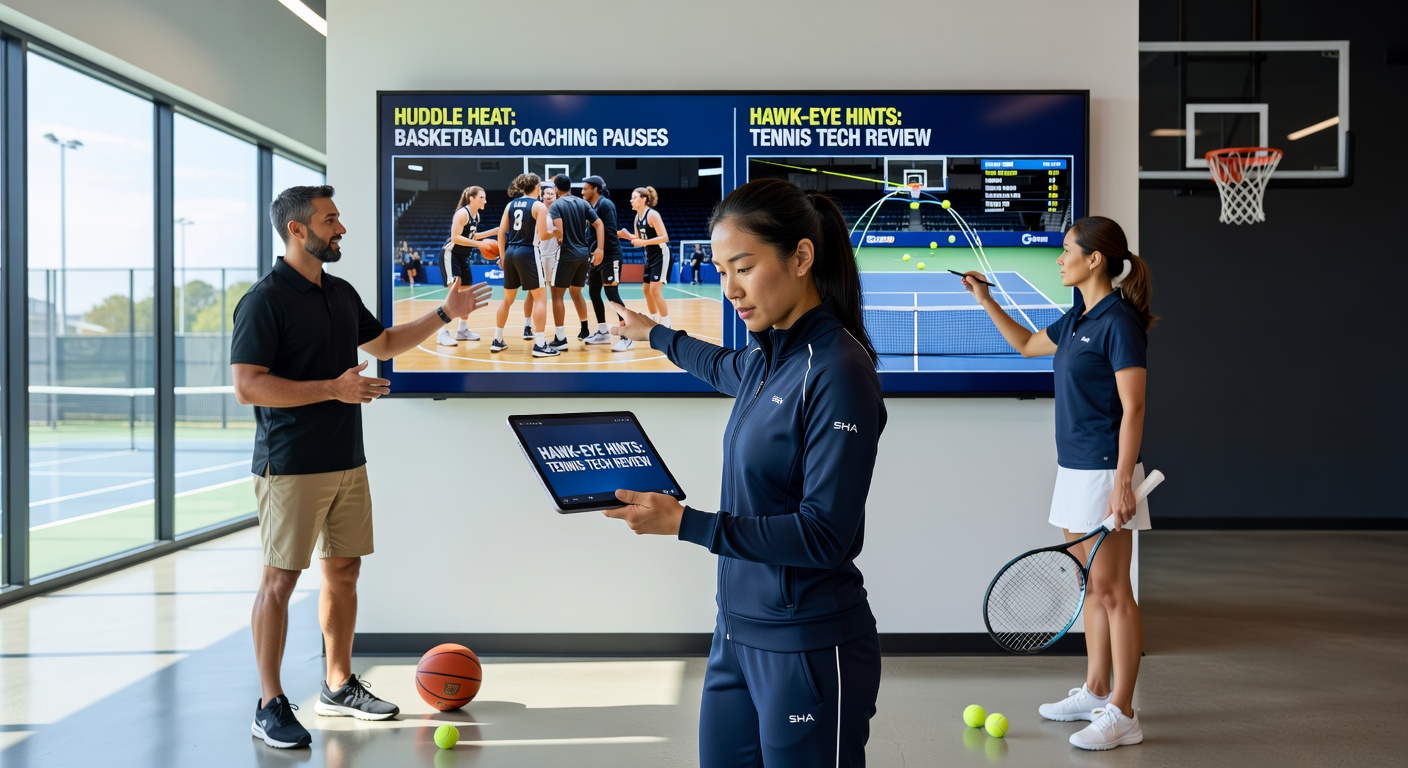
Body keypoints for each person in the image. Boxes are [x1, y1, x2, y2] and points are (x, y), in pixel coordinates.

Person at [606, 178, 886, 767]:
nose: (728, 287)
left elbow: (823, 533)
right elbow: (720, 364)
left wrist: (688, 524)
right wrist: (653, 333)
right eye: (720, 269)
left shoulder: (838, 370)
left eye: (744, 267)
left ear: (801, 257)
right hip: (735, 632)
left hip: (808, 643)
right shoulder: (768, 359)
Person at [232, 185, 491, 750]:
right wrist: (334, 387)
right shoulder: (265, 299)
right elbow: (247, 386)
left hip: (347, 458)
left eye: (338, 219)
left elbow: (387, 343)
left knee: (342, 571)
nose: (340, 228)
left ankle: (338, 683)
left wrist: (446, 312)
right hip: (291, 463)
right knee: (280, 581)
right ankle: (269, 702)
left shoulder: (340, 292)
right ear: (297, 230)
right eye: (330, 220)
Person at [959, 215, 1155, 752]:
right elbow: (1025, 345)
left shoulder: (1119, 322)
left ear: (1095, 259)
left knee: (1115, 592)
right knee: (1088, 585)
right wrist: (983, 298)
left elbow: (1134, 408)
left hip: (1104, 471)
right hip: (1074, 472)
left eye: (1066, 249)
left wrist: (1121, 482)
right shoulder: (1077, 319)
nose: (1058, 258)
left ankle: (1123, 710)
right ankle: (1095, 690)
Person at [491, 173, 557, 357]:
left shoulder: (510, 205)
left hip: (511, 252)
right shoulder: (538, 205)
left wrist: (503, 256)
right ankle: (540, 344)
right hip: (528, 251)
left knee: (507, 300)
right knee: (540, 299)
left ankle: (497, 340)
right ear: (536, 187)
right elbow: (543, 236)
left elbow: (501, 232)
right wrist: (557, 232)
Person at [547, 174, 603, 350]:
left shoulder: (556, 205)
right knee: (576, 292)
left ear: (556, 188)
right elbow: (599, 224)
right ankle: (585, 329)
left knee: (557, 295)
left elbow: (560, 233)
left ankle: (561, 338)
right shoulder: (583, 203)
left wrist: (554, 235)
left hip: (566, 254)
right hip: (582, 254)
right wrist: (599, 248)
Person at [438, 186, 500, 346]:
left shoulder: (475, 215)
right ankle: (441, 332)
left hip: (463, 257)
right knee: (454, 294)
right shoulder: (461, 214)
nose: (485, 200)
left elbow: (472, 235)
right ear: (471, 198)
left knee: (466, 293)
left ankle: (462, 330)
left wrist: (493, 232)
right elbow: (455, 237)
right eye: (482, 197)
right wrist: (479, 245)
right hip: (450, 255)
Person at [616, 185, 670, 347]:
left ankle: (667, 324)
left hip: (661, 255)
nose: (631, 200)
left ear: (644, 199)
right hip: (650, 256)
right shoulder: (637, 218)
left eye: (634, 197)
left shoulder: (652, 214)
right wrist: (626, 236)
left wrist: (643, 242)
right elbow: (637, 240)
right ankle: (653, 320)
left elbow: (664, 237)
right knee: (646, 290)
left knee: (655, 290)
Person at [579, 175, 626, 345]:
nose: (582, 191)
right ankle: (603, 332)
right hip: (595, 258)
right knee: (593, 292)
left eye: (585, 188)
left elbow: (611, 231)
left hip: (609, 256)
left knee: (612, 294)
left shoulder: (606, 204)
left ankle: (627, 335)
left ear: (595, 189)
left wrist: (602, 252)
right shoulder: (590, 207)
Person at [522, 183, 559, 340]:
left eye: (552, 193)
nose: (549, 195)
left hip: (555, 256)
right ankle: (527, 325)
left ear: (556, 196)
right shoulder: (537, 211)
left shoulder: (559, 212)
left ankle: (559, 330)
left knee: (555, 292)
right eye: (547, 193)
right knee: (532, 294)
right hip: (537, 254)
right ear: (542, 196)